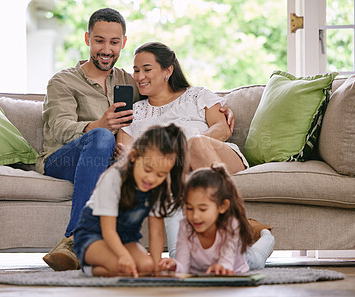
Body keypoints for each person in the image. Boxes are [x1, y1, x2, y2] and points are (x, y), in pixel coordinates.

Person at [39, 9, 236, 271]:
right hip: (63, 157)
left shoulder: (129, 80)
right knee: (100, 137)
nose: (106, 49)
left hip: (109, 157)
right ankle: (74, 238)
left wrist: (222, 110)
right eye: (99, 41)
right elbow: (59, 128)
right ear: (87, 39)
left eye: (114, 42)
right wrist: (100, 125)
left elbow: (166, 98)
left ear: (123, 42)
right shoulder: (63, 81)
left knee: (121, 152)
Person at [116, 42, 251, 257]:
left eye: (147, 69)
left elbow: (222, 128)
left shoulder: (196, 96)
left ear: (168, 71)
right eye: (136, 70)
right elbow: (126, 152)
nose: (140, 76)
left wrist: (184, 151)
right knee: (166, 172)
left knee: (195, 143)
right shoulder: (135, 112)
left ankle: (230, 229)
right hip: (172, 172)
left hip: (215, 156)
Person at [73, 124, 187, 277]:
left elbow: (157, 231)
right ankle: (90, 268)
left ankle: (113, 266)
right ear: (134, 156)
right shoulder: (114, 178)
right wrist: (123, 256)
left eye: (161, 175)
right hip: (94, 236)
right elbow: (108, 230)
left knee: (146, 267)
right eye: (147, 169)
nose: (152, 178)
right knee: (124, 268)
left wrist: (156, 265)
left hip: (127, 239)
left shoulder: (159, 188)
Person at [158, 164, 275, 274]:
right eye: (189, 208)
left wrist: (222, 266)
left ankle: (265, 233)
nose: (195, 216)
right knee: (175, 254)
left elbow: (227, 263)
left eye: (202, 209)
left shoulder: (230, 225)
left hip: (237, 258)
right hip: (199, 263)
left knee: (258, 259)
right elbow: (183, 265)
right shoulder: (185, 225)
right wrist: (175, 265)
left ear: (222, 206)